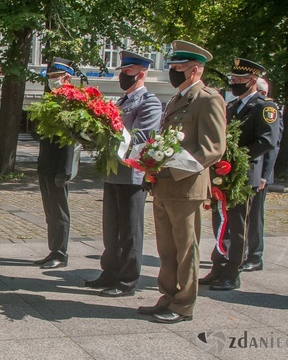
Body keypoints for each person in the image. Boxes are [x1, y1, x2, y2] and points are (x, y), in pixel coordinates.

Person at [138, 40, 226, 323]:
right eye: (173, 67)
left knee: (186, 248)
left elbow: (213, 147)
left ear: (196, 70)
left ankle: (183, 305)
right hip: (163, 184)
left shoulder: (208, 99)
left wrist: (175, 167)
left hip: (186, 186)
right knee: (166, 247)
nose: (173, 72)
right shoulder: (176, 98)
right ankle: (167, 296)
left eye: (179, 68)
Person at [85, 51, 162, 297]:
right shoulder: (120, 102)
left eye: (127, 72)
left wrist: (108, 134)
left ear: (140, 74)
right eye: (121, 71)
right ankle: (109, 273)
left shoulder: (149, 102)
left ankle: (127, 280)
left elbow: (141, 136)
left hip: (132, 174)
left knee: (129, 230)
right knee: (111, 228)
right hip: (113, 172)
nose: (122, 75)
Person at [200, 60, 280, 290]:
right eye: (233, 80)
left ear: (252, 81)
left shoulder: (265, 107)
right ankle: (218, 267)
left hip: (244, 175)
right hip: (223, 174)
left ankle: (232, 272)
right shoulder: (232, 106)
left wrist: (236, 159)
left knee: (238, 226)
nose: (233, 83)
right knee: (221, 221)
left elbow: (267, 141)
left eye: (238, 80)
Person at [33, 57, 77, 270]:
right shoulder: (52, 99)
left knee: (59, 212)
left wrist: (65, 171)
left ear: (67, 77)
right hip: (46, 164)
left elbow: (69, 141)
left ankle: (60, 253)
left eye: (55, 77)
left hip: (59, 167)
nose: (52, 81)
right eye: (50, 78)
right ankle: (53, 250)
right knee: (51, 212)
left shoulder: (71, 103)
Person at [242, 78, 283, 272]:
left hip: (260, 173)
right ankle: (241, 252)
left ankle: (255, 255)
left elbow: (272, 147)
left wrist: (265, 175)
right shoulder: (247, 109)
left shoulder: (269, 110)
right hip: (248, 170)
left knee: (255, 216)